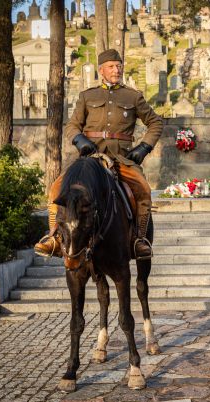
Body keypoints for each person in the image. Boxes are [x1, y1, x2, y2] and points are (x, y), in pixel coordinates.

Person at [34, 48, 163, 259]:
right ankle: (54, 238)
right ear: (101, 70)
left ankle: (139, 239)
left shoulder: (132, 96)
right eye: (112, 66)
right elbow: (72, 126)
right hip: (90, 160)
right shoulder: (87, 96)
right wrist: (80, 140)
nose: (117, 69)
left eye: (119, 65)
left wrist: (143, 147)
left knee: (143, 190)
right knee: (56, 189)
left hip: (121, 159)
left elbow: (155, 122)